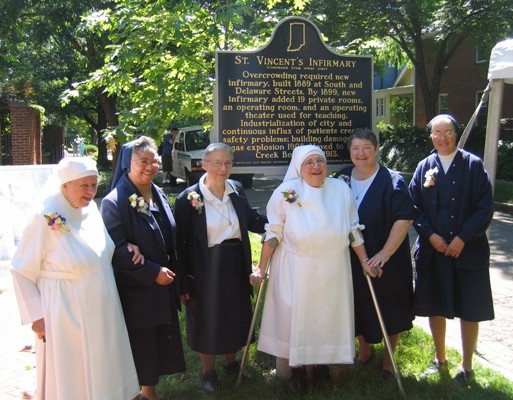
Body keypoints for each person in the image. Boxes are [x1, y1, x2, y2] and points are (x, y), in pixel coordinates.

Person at [11, 157, 140, 400]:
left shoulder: (90, 208)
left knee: (106, 364)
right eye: (85, 185)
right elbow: (21, 269)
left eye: (94, 185)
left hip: (102, 302)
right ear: (65, 185)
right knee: (74, 373)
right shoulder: (44, 216)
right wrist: (37, 317)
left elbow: (103, 250)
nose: (91, 191)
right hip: (65, 310)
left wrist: (128, 248)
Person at [252, 144, 376, 394]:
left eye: (320, 161)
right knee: (298, 319)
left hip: (333, 268)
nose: (316, 167)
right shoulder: (287, 192)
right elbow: (274, 233)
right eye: (309, 162)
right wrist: (261, 268)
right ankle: (296, 372)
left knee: (325, 319)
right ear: (299, 167)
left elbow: (353, 229)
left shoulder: (341, 189)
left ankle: (320, 367)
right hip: (297, 268)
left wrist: (364, 262)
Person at [174, 142, 267, 393]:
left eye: (228, 163)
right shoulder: (188, 198)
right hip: (204, 264)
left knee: (235, 312)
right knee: (207, 315)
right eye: (217, 163)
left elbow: (252, 219)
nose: (223, 168)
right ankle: (208, 372)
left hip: (235, 260)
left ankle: (232, 364)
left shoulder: (236, 189)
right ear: (204, 165)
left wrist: (280, 220)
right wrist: (183, 281)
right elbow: (180, 245)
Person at [409, 114, 494, 386]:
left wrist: (463, 238)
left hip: (467, 251)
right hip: (434, 251)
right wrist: (431, 236)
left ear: (455, 134)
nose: (442, 137)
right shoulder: (424, 167)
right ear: (431, 136)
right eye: (437, 132)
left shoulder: (473, 165)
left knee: (469, 308)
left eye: (447, 132)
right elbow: (413, 207)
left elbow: (484, 207)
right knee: (436, 305)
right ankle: (440, 359)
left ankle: (467, 366)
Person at [101, 136, 186, 400]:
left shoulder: (157, 191)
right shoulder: (114, 202)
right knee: (142, 343)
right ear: (128, 164)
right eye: (143, 161)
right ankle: (140, 393)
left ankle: (149, 392)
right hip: (137, 289)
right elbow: (118, 251)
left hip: (162, 285)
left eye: (155, 161)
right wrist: (152, 272)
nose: (150, 167)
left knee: (158, 340)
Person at [340, 128, 414, 380]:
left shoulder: (393, 181)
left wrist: (384, 253)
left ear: (377, 149)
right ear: (349, 152)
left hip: (386, 257)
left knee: (390, 305)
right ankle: (364, 353)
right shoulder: (342, 180)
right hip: (352, 257)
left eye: (366, 148)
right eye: (355, 148)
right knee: (360, 302)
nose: (361, 153)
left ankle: (389, 362)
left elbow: (403, 220)